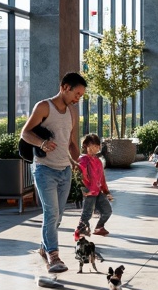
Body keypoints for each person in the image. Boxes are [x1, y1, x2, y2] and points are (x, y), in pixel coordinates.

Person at [21, 71, 87, 276]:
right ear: (65, 87)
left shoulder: (72, 112)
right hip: (44, 169)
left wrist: (79, 163)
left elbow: (71, 142)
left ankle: (44, 246)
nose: (78, 98)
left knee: (57, 217)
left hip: (64, 170)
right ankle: (53, 256)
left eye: (81, 96)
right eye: (77, 94)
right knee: (51, 214)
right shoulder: (43, 107)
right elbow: (25, 132)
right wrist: (41, 143)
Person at [74, 133, 113, 239]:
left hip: (98, 192)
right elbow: (78, 176)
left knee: (107, 210)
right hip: (89, 192)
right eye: (94, 145)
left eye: (98, 146)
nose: (97, 148)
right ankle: (79, 233)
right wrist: (84, 189)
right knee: (86, 214)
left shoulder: (98, 161)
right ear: (87, 145)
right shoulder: (83, 159)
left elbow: (102, 179)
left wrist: (106, 192)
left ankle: (99, 227)